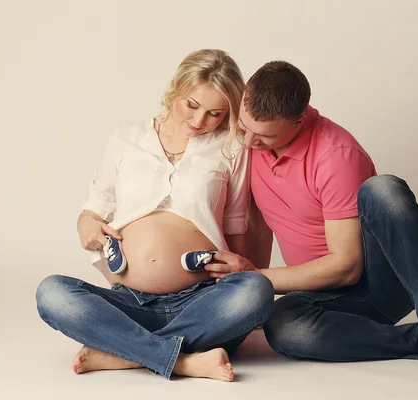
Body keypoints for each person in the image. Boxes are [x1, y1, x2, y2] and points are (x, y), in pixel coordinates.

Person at [205, 60, 418, 384]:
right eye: (244, 128)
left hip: (374, 282)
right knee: (283, 327)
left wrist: (260, 277)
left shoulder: (335, 154)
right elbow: (259, 223)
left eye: (263, 136)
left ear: (298, 121)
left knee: (383, 189)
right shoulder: (250, 144)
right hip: (320, 292)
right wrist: (254, 295)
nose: (249, 142)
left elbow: (347, 266)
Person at [35, 49, 274, 382]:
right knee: (51, 293)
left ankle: (126, 353)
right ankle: (184, 361)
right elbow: (91, 211)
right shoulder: (126, 138)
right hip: (129, 301)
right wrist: (87, 226)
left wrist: (242, 275)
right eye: (192, 105)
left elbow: (237, 229)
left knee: (257, 290)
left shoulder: (231, 148)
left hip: (201, 301)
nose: (199, 120)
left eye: (215, 113)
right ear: (176, 88)